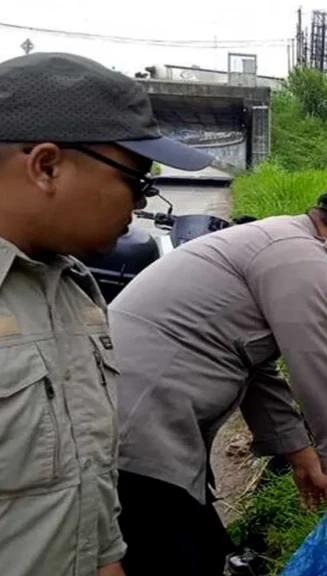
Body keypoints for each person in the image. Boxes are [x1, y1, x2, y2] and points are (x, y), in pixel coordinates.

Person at [109, 177, 327, 575]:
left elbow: (255, 365)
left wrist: (300, 452)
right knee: (171, 552)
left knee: (198, 546)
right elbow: (321, 373)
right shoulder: (301, 260)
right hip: (139, 421)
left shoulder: (284, 243)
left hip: (144, 412)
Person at [0, 53, 213, 576]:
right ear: (47, 166)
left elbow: (83, 472)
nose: (139, 206)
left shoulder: (74, 288)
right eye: (137, 182)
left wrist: (107, 559)